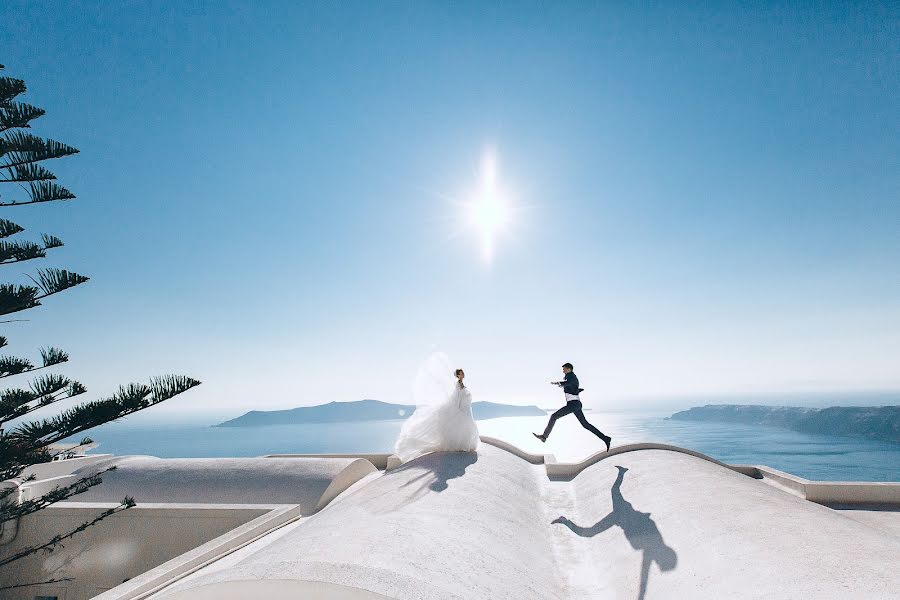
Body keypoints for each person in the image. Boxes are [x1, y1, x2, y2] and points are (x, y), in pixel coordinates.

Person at [394, 353, 480, 462]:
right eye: (461, 373)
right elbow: (456, 398)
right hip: (462, 411)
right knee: (463, 427)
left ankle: (464, 445)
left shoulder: (462, 384)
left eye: (463, 373)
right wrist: (458, 410)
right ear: (458, 375)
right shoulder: (458, 385)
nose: (463, 374)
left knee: (467, 427)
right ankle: (461, 446)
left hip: (467, 410)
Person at [533, 362, 611, 451]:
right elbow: (572, 387)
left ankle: (544, 436)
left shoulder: (572, 377)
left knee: (554, 416)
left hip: (573, 404)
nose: (563, 371)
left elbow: (570, 383)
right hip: (575, 404)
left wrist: (559, 383)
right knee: (585, 424)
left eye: (564, 369)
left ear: (569, 369)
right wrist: (570, 387)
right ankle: (606, 438)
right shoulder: (570, 378)